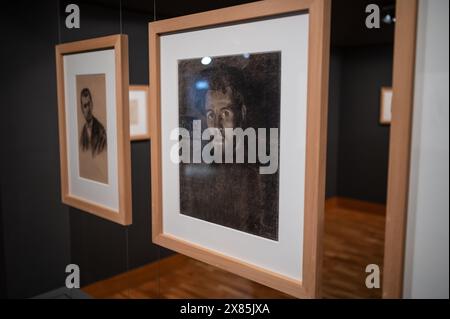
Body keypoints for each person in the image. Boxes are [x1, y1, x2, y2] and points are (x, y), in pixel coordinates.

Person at [180, 64, 279, 240]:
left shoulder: (260, 168)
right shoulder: (198, 165)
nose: (216, 125)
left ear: (242, 113)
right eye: (211, 114)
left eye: (225, 113)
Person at [79, 88, 107, 156]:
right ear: (82, 109)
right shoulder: (82, 135)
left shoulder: (101, 131)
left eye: (89, 104)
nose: (88, 109)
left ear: (92, 104)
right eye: (85, 106)